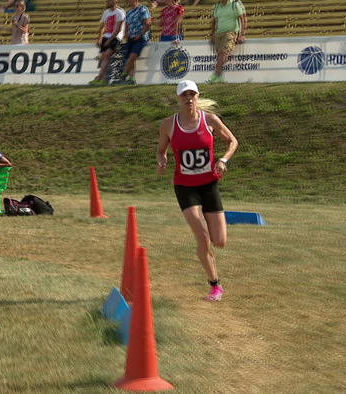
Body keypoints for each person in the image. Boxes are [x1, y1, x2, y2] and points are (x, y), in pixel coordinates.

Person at [155, 80, 238, 301]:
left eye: (192, 94)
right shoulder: (168, 125)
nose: (189, 98)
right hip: (185, 187)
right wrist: (161, 160)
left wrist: (223, 159)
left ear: (198, 96)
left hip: (209, 185)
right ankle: (215, 286)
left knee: (219, 241)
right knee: (202, 236)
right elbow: (161, 150)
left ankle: (209, 249)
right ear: (178, 98)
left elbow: (232, 141)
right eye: (184, 95)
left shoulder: (210, 120)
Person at [206, 0, 246, 84]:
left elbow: (242, 20)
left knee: (223, 52)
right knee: (220, 53)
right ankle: (219, 77)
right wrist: (212, 34)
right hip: (218, 32)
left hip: (230, 32)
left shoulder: (234, 5)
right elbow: (214, 21)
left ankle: (216, 74)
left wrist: (241, 34)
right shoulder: (216, 6)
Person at [89, 0, 125, 86]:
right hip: (107, 36)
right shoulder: (106, 13)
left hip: (116, 36)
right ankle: (103, 79)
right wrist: (100, 38)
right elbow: (102, 27)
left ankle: (99, 77)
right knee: (104, 56)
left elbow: (119, 28)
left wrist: (110, 40)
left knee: (107, 54)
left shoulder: (120, 12)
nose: (107, 2)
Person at [121, 0, 151, 85]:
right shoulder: (129, 12)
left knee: (133, 55)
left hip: (140, 37)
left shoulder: (142, 9)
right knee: (131, 57)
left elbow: (147, 23)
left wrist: (141, 34)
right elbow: (126, 24)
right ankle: (131, 78)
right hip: (131, 37)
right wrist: (125, 33)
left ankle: (124, 73)